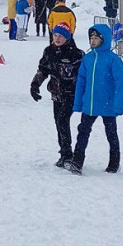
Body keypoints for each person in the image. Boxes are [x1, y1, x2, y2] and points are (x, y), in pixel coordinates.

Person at [67, 24, 123, 175]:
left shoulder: (113, 59)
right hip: (90, 104)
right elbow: (81, 82)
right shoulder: (88, 58)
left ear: (104, 40)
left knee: (111, 133)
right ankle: (77, 162)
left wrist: (118, 105)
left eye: (96, 38)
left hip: (108, 105)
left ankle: (114, 163)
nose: (93, 41)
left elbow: (122, 83)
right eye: (91, 38)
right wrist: (78, 103)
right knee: (83, 132)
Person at [31, 23, 84, 168]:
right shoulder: (49, 51)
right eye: (55, 35)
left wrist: (77, 89)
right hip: (56, 94)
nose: (57, 38)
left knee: (62, 120)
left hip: (71, 95)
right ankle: (64, 153)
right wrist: (35, 85)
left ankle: (68, 155)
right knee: (58, 122)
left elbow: (83, 76)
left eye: (61, 36)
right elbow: (43, 70)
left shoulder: (77, 54)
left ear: (67, 37)